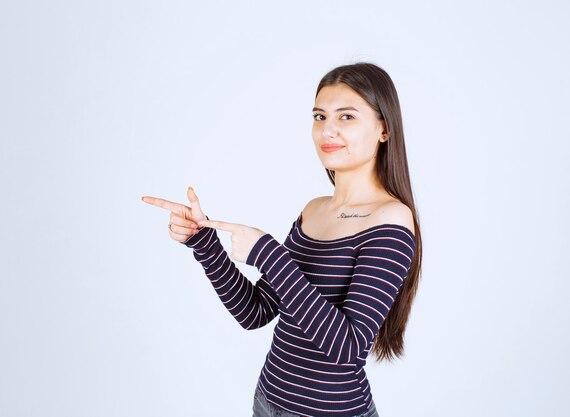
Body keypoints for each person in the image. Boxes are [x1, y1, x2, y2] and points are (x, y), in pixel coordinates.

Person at [141, 62, 422, 417]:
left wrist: (269, 254)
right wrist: (204, 242)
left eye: (346, 117)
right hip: (268, 402)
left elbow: (348, 347)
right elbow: (255, 312)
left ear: (384, 128)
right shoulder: (314, 210)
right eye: (319, 117)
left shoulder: (391, 219)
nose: (327, 130)